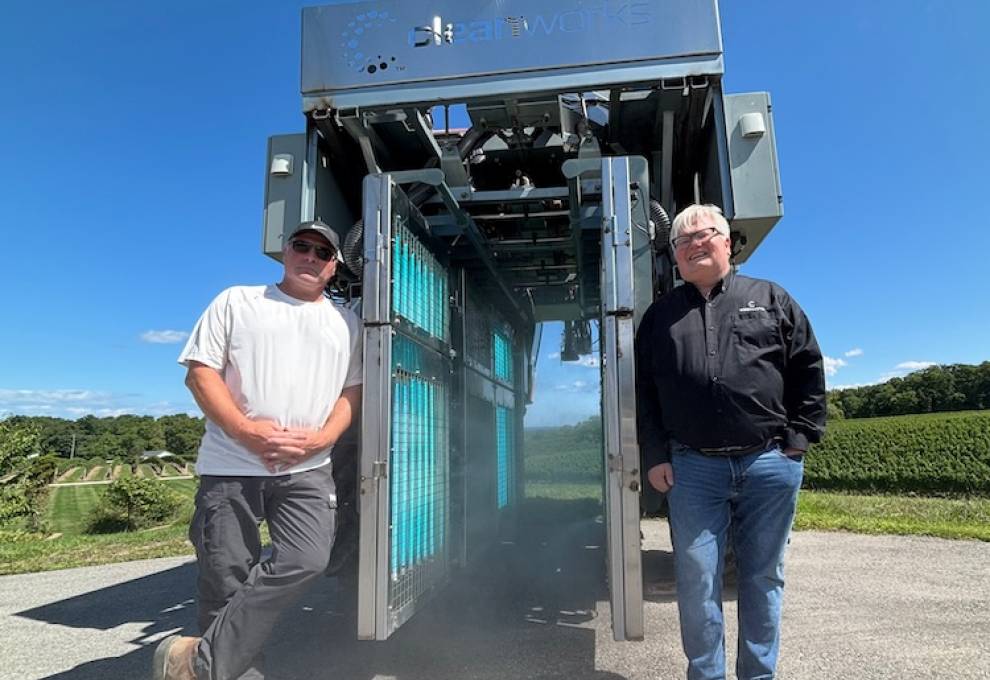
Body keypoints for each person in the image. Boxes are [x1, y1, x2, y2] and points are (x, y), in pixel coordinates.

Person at [154, 220, 363, 680]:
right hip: (232, 464)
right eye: (302, 246)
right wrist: (246, 431)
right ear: (285, 251)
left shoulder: (346, 323)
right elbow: (200, 374)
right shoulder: (237, 301)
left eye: (323, 253)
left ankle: (195, 662)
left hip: (308, 467)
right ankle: (234, 673)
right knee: (226, 575)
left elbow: (352, 392)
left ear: (334, 266)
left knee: (308, 559)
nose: (310, 257)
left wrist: (325, 437)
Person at [635, 204, 825, 680]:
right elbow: (644, 392)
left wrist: (798, 439)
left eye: (704, 235)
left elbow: (807, 366)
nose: (693, 245)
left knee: (763, 576)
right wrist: (655, 455)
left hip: (769, 463)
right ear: (674, 256)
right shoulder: (659, 317)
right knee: (697, 579)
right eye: (682, 241)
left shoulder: (771, 298)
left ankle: (757, 675)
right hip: (692, 469)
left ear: (727, 242)